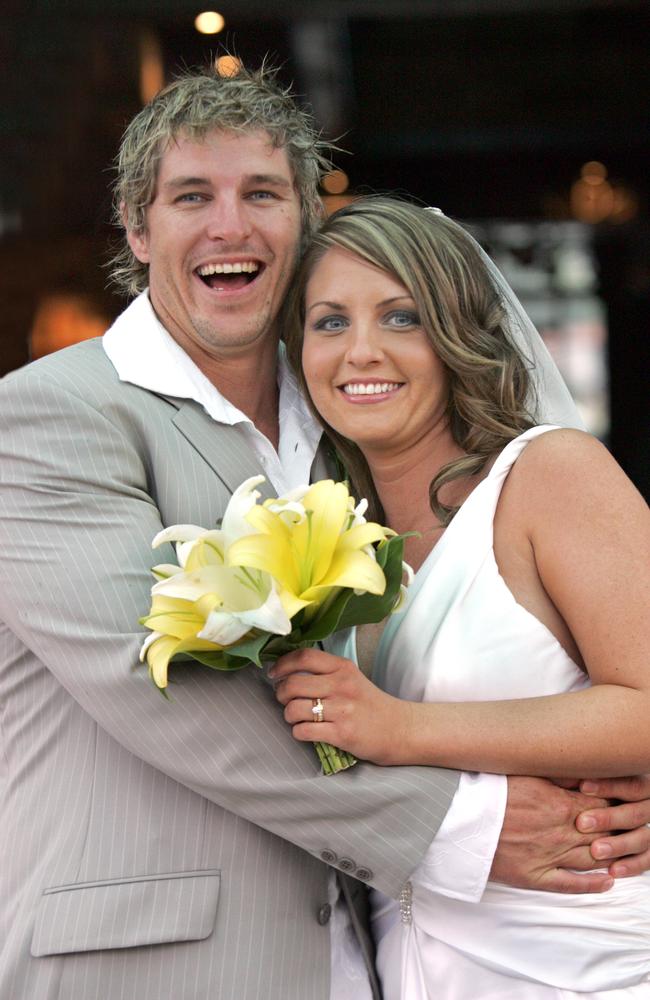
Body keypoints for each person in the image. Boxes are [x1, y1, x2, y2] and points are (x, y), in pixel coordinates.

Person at [0, 68, 647, 1000]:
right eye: (193, 196)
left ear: (302, 221)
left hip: (384, 958)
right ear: (138, 231)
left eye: (261, 193)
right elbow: (160, 692)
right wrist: (465, 827)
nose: (230, 224)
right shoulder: (51, 417)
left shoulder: (350, 433)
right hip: (151, 963)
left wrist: (614, 789)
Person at [273, 195, 650, 998]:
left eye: (401, 317)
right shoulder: (318, 540)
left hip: (581, 963)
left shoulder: (551, 475)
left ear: (457, 338)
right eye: (329, 322)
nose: (360, 352)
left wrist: (401, 728)